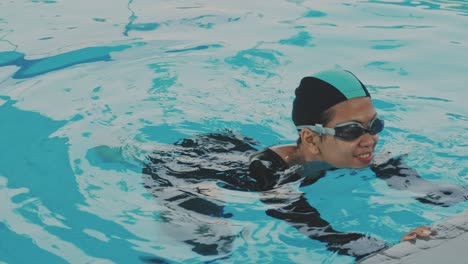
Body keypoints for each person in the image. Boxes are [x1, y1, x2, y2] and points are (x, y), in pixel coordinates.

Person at [142, 69, 467, 261]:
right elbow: (312, 227)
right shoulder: (269, 174)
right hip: (187, 167)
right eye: (352, 131)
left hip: (235, 146)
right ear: (311, 140)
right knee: (210, 244)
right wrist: (383, 248)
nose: (370, 140)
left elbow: (426, 189)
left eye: (375, 126)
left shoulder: (361, 150)